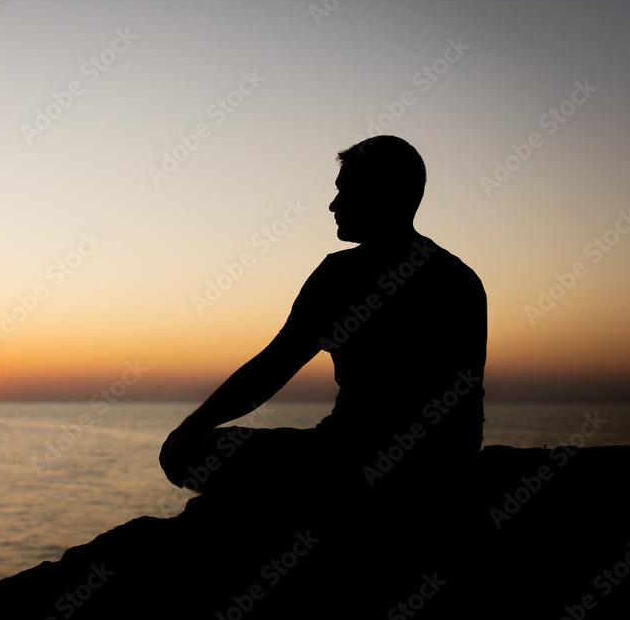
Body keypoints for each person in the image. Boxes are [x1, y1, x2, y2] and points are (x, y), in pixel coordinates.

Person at [159, 135, 487, 500]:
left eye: (345, 190)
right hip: (445, 465)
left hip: (348, 462)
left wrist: (188, 428)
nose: (333, 204)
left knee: (185, 453)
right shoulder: (460, 277)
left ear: (382, 194)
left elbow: (271, 369)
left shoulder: (343, 273)